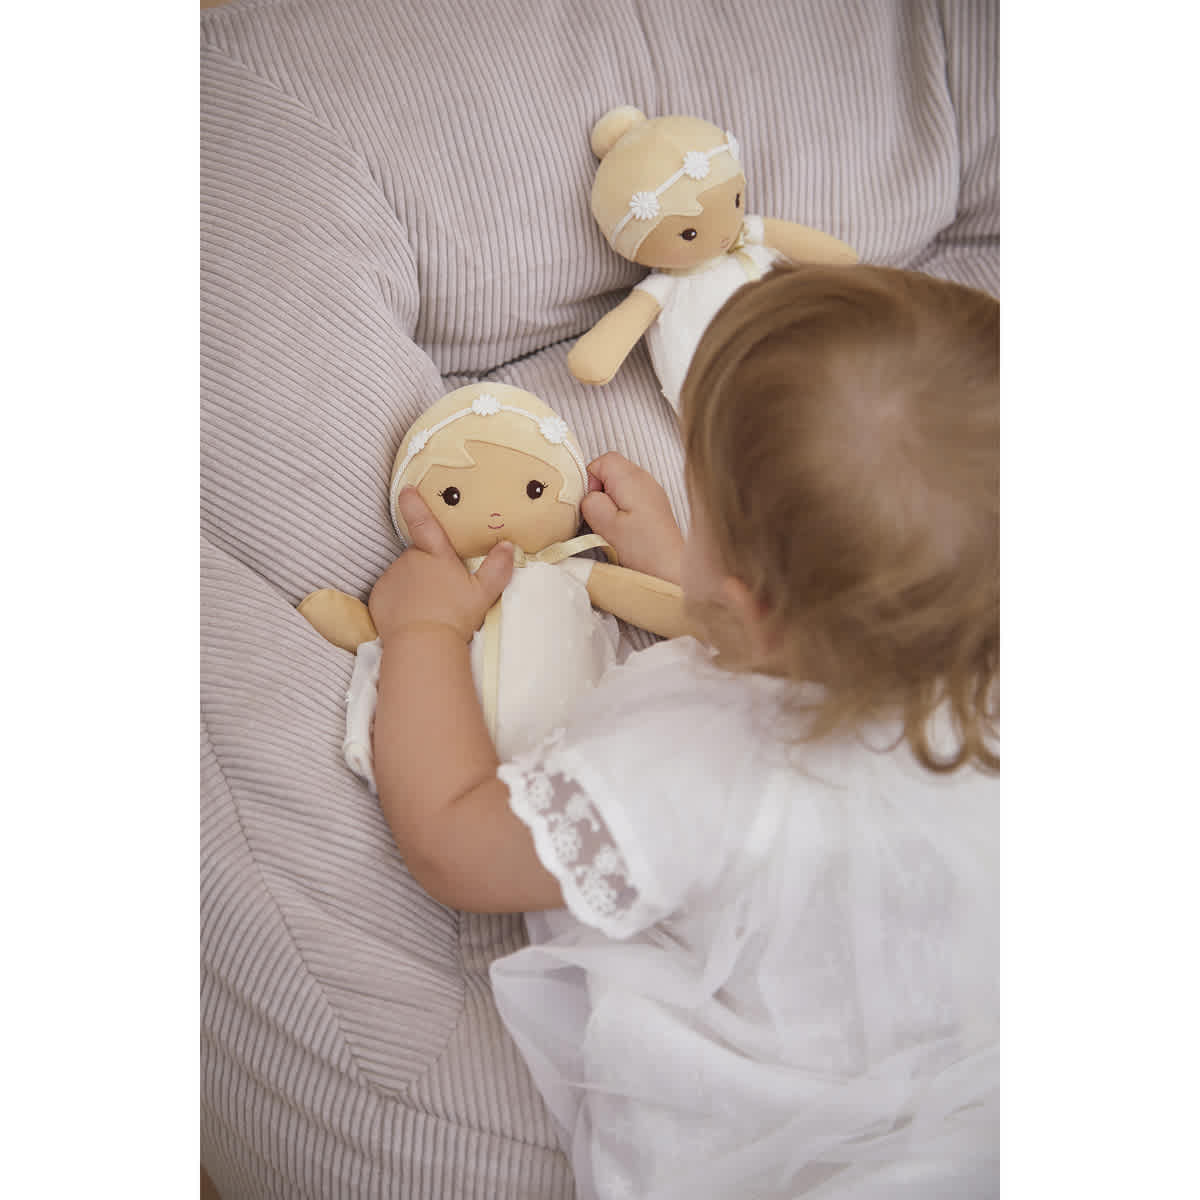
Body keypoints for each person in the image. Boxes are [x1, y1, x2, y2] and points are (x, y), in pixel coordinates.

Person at [366, 263, 1000, 1199]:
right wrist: (685, 571)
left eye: (706, 511)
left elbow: (455, 841)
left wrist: (423, 631)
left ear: (749, 605)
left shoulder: (698, 766)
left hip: (818, 1143)